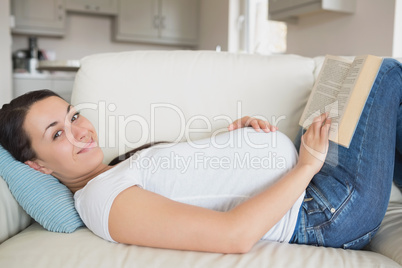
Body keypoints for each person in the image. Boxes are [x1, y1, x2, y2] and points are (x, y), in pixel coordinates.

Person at [0, 58, 401, 253]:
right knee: (385, 73)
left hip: (308, 180)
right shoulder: (100, 199)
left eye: (74, 116)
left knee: (358, 79)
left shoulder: (118, 169)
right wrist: (306, 164)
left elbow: (202, 184)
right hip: (325, 212)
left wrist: (238, 139)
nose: (80, 132)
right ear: (37, 165)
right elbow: (234, 236)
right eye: (57, 134)